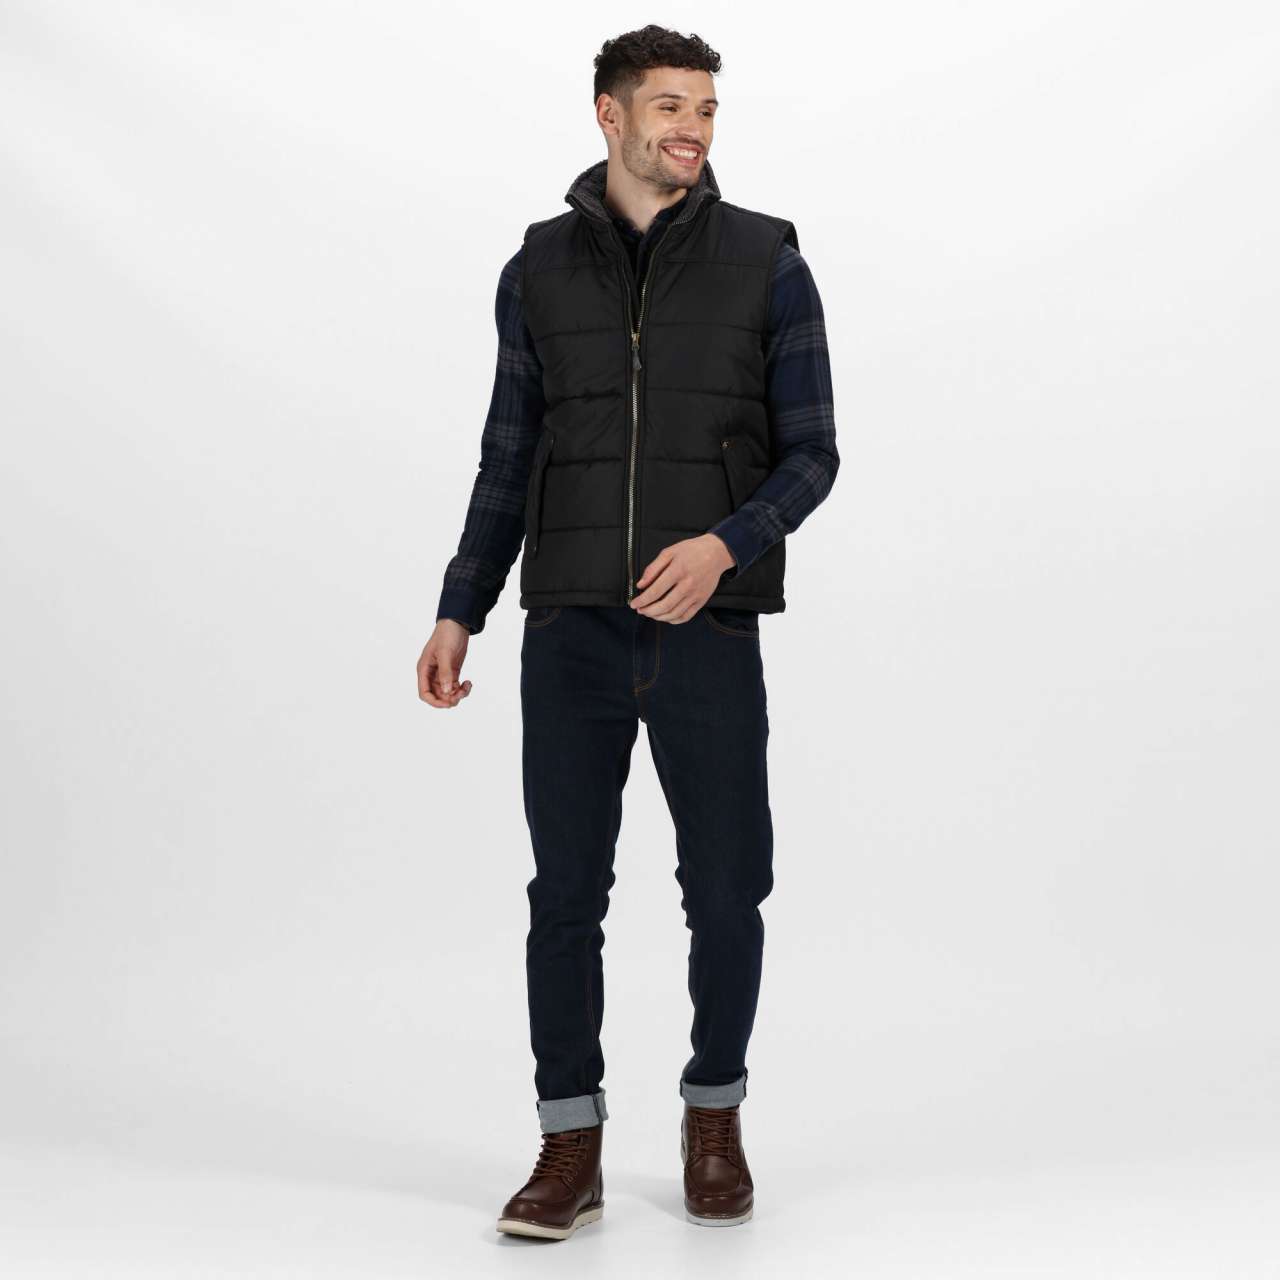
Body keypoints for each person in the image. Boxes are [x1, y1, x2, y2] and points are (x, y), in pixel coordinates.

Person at [416, 25, 839, 1240]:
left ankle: (713, 1117)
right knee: (564, 894)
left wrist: (723, 545)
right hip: (570, 629)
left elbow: (813, 454)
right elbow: (508, 452)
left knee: (727, 887)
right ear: (609, 115)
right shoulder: (538, 267)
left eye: (704, 108)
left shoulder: (766, 261)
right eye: (667, 106)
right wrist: (460, 603)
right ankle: (569, 1142)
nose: (691, 128)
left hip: (707, 628)